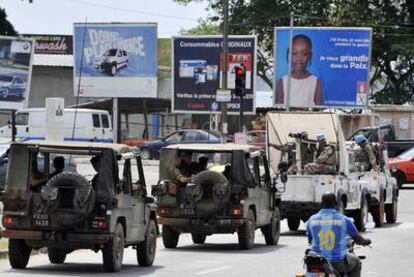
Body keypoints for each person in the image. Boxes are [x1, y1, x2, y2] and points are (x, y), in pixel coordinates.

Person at [306, 192, 371, 277]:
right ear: (336, 204)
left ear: (321, 204)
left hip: (316, 261)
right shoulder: (344, 220)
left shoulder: (311, 219)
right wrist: (366, 241)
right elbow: (358, 239)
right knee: (356, 262)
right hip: (337, 261)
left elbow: (310, 240)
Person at [275, 34, 323, 107]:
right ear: (289, 55)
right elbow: (278, 112)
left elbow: (319, 111)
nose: (299, 58)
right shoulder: (282, 82)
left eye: (304, 54)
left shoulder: (315, 82)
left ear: (310, 56)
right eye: (294, 53)